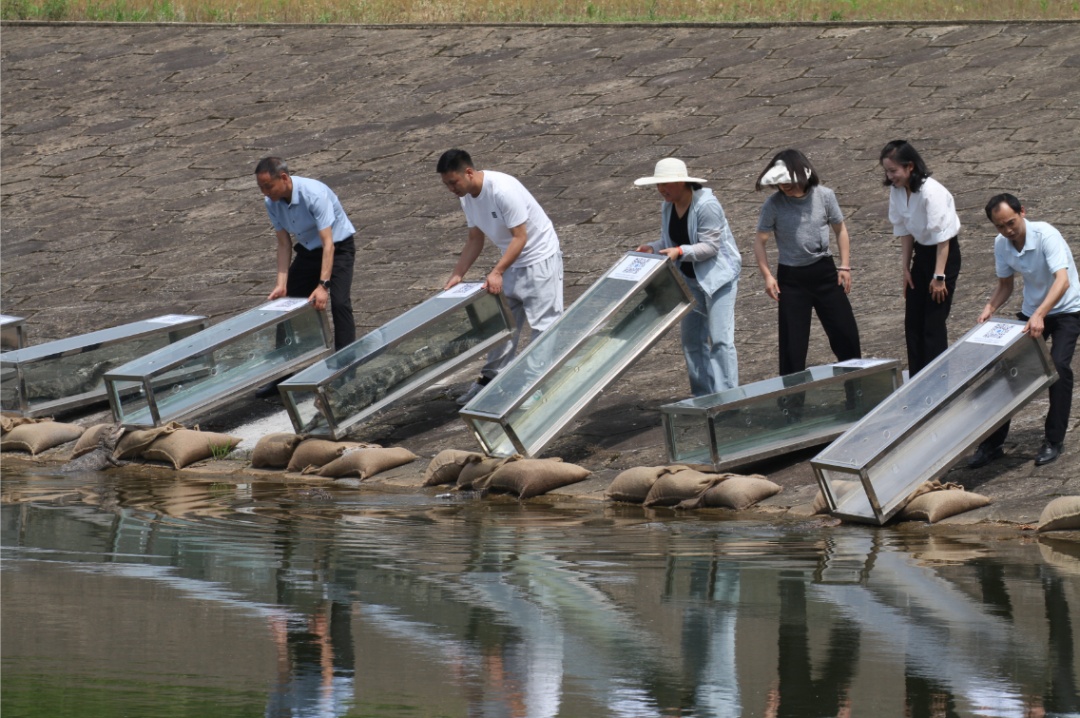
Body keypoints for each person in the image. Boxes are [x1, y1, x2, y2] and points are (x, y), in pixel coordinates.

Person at [436, 149, 564, 406]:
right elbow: (475, 238)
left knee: (543, 325)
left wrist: (497, 271)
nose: (451, 189)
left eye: (453, 182)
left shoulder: (503, 190)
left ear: (468, 172)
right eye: (446, 184)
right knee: (504, 323)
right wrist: (457, 274)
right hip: (512, 260)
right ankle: (492, 377)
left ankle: (535, 384)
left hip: (539, 260)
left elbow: (521, 237)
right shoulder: (467, 197)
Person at [967, 194, 1080, 468]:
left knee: (1060, 366)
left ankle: (1054, 440)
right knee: (1007, 369)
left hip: (1066, 308)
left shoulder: (1045, 235)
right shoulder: (1001, 244)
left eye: (1011, 223)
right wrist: (989, 308)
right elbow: (1005, 285)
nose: (1007, 230)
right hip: (1033, 310)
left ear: (1022, 213)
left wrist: (1041, 314)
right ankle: (992, 444)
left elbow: (1062, 281)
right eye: (1000, 226)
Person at [634, 157, 741, 396]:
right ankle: (703, 396)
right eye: (658, 185)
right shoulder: (668, 206)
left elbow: (710, 247)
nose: (662, 190)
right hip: (690, 280)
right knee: (691, 341)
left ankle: (728, 398)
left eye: (667, 184)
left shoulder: (707, 205)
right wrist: (652, 247)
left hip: (718, 280)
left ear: (683, 182)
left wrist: (681, 252)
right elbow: (670, 241)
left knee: (721, 340)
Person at [753, 149, 861, 376]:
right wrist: (767, 275)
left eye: (789, 182)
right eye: (780, 183)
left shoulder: (824, 195)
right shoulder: (774, 205)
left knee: (846, 335)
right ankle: (791, 405)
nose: (785, 187)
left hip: (824, 272)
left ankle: (857, 391)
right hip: (791, 280)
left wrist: (845, 265)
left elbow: (840, 229)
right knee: (793, 345)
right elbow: (760, 241)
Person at [255, 156, 357, 351]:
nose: (265, 193)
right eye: (261, 188)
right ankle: (284, 367)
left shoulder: (313, 193)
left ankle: (347, 363)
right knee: (288, 303)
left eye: (268, 186)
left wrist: (323, 286)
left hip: (338, 247)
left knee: (340, 303)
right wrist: (281, 284)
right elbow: (284, 243)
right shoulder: (271, 202)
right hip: (309, 251)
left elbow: (328, 243)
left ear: (283, 178)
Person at [880, 140, 962, 376]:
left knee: (933, 324)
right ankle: (918, 377)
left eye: (894, 170)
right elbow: (904, 230)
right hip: (922, 254)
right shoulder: (896, 191)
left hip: (943, 255)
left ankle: (938, 380)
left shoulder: (930, 191)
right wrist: (906, 267)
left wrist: (939, 276)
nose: (890, 176)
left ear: (910, 167)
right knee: (913, 322)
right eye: (887, 170)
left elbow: (943, 237)